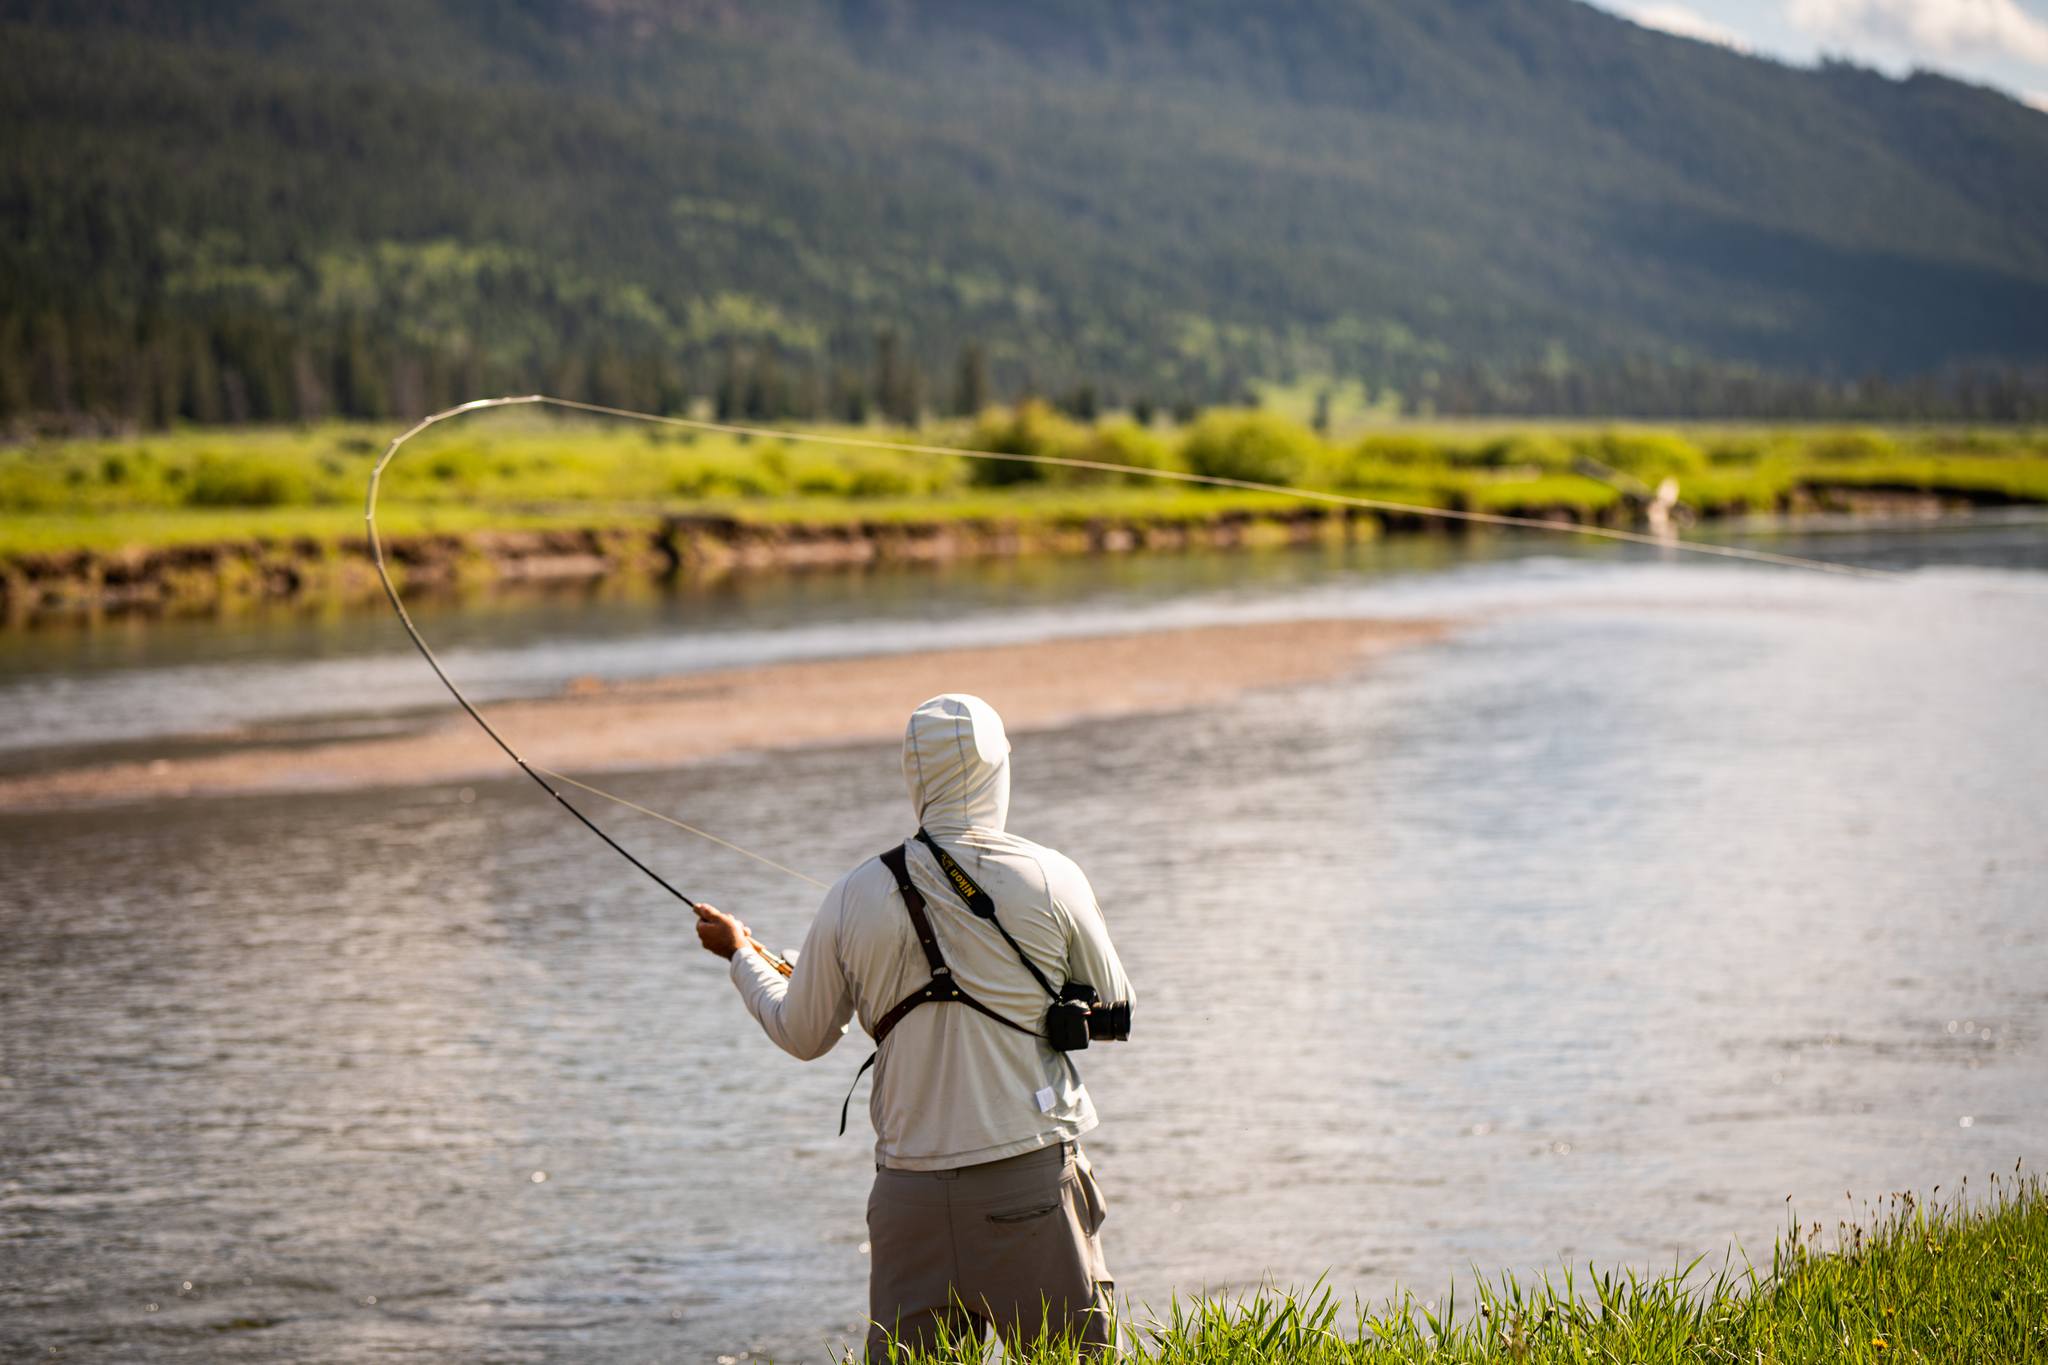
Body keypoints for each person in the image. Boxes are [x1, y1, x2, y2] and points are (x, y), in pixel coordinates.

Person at [694, 692, 1135, 1360]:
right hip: (1029, 1188)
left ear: (912, 775)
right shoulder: (1052, 875)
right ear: (999, 772)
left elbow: (802, 1032)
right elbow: (1116, 1003)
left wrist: (741, 956)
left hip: (909, 1205)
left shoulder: (851, 893)